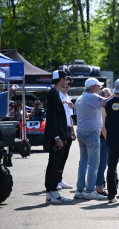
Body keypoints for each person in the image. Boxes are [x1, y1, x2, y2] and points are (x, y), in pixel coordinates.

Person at [73, 77, 108, 200]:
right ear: (92, 87)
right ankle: (90, 190)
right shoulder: (91, 97)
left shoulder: (80, 98)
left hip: (81, 131)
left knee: (83, 162)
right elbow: (106, 102)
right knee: (93, 163)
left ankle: (79, 190)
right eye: (98, 86)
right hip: (91, 133)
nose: (100, 88)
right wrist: (118, 93)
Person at [44, 70, 71, 204]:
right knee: (54, 164)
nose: (67, 81)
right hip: (56, 136)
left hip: (59, 134)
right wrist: (56, 137)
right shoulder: (53, 94)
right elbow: (52, 117)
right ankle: (53, 191)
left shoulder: (55, 94)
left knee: (53, 163)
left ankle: (50, 193)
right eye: (65, 79)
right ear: (61, 79)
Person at [56, 76, 76, 190]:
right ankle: (54, 180)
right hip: (60, 129)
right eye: (65, 83)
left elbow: (70, 117)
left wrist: (72, 131)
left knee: (64, 156)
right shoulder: (58, 95)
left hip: (68, 129)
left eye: (69, 84)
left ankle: (59, 178)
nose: (66, 85)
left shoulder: (68, 97)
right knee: (58, 156)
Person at [95, 87, 112, 196]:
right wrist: (108, 140)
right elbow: (103, 127)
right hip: (104, 138)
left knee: (107, 162)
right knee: (102, 163)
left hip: (107, 138)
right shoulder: (102, 108)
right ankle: (99, 186)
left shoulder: (108, 107)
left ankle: (105, 183)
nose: (109, 97)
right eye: (107, 95)